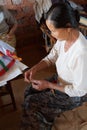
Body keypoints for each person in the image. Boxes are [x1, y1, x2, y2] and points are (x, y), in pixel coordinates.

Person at [21, 2, 87, 130]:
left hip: (73, 95)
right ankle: (42, 120)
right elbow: (52, 56)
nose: (52, 34)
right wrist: (35, 68)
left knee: (31, 104)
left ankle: (40, 124)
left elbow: (79, 91)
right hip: (61, 80)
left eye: (53, 30)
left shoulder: (82, 53)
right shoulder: (64, 39)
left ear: (68, 27)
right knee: (29, 91)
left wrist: (49, 85)